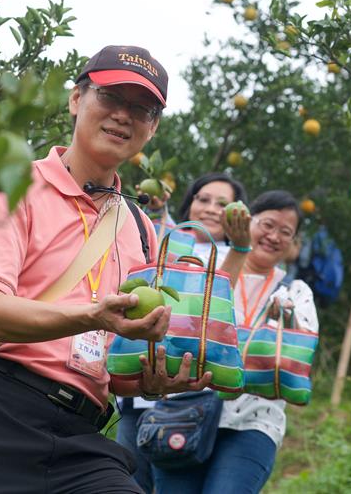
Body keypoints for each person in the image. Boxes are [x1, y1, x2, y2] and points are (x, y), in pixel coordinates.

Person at [0, 45, 211, 493]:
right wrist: (93, 314)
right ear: (76, 100)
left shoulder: (140, 229)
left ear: (153, 128)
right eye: (111, 98)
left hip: (79, 435)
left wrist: (150, 381)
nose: (123, 115)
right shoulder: (11, 187)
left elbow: (107, 356)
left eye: (140, 108)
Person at [153, 190, 319, 494]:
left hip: (254, 422)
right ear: (247, 222)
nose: (274, 237)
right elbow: (194, 322)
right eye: (267, 225)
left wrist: (287, 321)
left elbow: (298, 358)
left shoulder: (296, 291)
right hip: (185, 410)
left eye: (286, 232)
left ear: (293, 243)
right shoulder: (209, 269)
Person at [117, 172, 251, 493]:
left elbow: (218, 301)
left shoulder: (232, 256)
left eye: (222, 203)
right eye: (202, 199)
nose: (210, 208)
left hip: (186, 399)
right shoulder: (167, 242)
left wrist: (242, 247)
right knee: (123, 481)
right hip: (139, 386)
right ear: (189, 203)